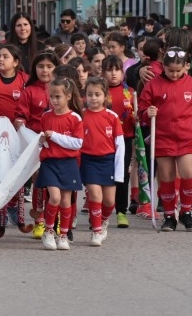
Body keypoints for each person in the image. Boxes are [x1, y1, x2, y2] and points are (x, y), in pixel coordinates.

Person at [139, 47, 192, 232]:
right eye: (170, 71)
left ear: (186, 67)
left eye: (178, 71)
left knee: (187, 172)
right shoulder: (154, 84)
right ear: (163, 67)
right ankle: (169, 215)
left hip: (186, 137)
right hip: (163, 137)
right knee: (166, 176)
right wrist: (147, 113)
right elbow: (142, 108)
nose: (174, 74)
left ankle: (186, 211)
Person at [36, 76, 83, 251]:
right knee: (54, 197)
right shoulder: (45, 116)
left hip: (68, 164)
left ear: (68, 96)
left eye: (58, 97)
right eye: (52, 96)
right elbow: (42, 141)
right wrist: (41, 141)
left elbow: (77, 143)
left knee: (65, 201)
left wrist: (54, 136)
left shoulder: (75, 118)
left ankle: (63, 234)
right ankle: (48, 231)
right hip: (50, 162)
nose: (54, 100)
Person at [14, 52, 58, 237]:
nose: (45, 70)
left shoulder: (62, 89)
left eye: (49, 66)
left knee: (56, 184)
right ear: (34, 69)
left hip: (58, 143)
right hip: (35, 143)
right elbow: (21, 114)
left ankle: (54, 220)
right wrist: (20, 121)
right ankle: (39, 220)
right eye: (41, 66)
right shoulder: (29, 91)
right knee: (39, 181)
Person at [80, 76, 124, 247]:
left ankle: (103, 220)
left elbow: (119, 144)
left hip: (107, 161)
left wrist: (119, 169)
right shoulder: (81, 115)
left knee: (109, 201)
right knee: (95, 195)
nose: (93, 98)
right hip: (88, 160)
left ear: (105, 96)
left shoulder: (112, 117)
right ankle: (96, 231)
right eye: (89, 94)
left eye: (97, 94)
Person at [102, 55, 135, 227]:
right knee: (103, 175)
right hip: (103, 139)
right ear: (103, 73)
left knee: (122, 174)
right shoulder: (99, 92)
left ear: (123, 72)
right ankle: (100, 211)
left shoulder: (129, 92)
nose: (113, 74)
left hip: (124, 138)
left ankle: (121, 211)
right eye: (109, 70)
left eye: (117, 70)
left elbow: (136, 116)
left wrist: (137, 119)